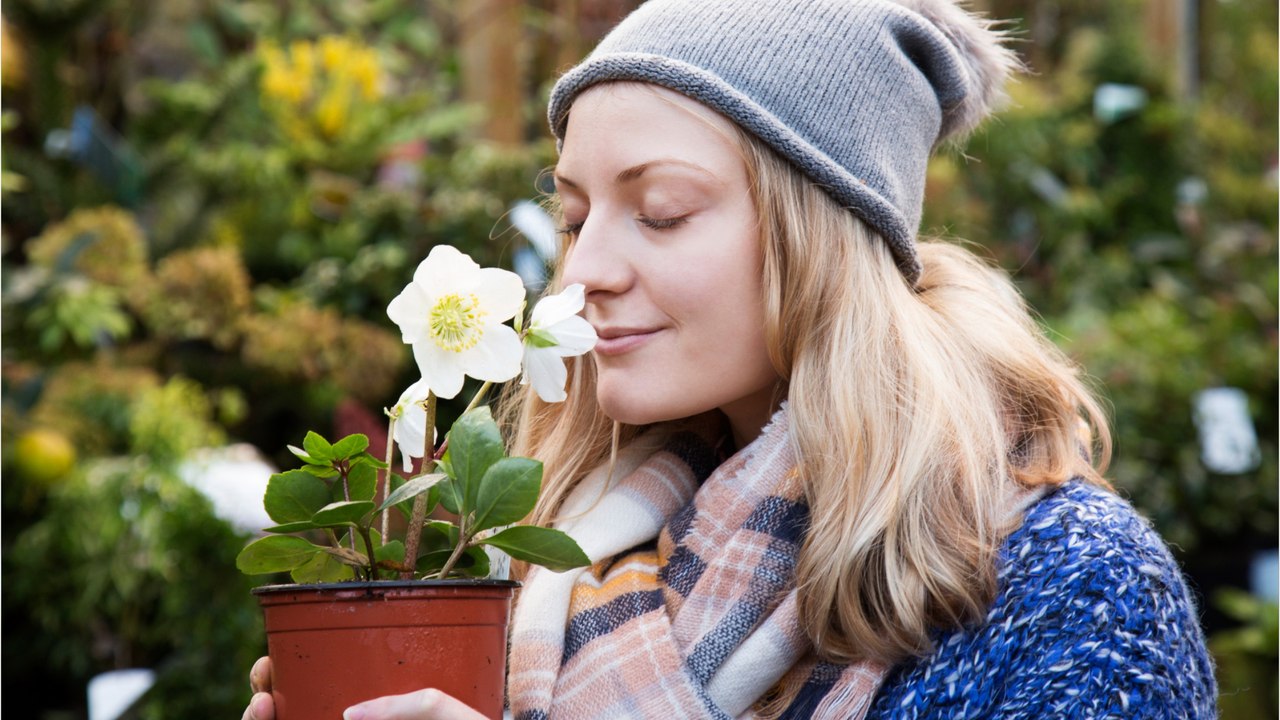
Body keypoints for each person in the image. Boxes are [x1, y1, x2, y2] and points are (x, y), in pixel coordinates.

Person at [244, 0, 1218, 718]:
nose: (584, 273)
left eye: (659, 211)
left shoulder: (1070, 588)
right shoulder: (547, 560)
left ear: (821, 235)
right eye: (573, 218)